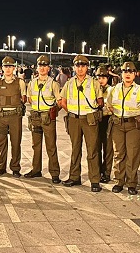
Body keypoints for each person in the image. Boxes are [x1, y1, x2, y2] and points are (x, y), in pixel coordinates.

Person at [106, 61, 140, 195]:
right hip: (118, 124)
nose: (127, 74)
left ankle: (131, 183)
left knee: (132, 154)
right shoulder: (114, 89)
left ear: (134, 74)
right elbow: (109, 105)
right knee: (118, 154)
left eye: (130, 72)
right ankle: (119, 181)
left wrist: (138, 117)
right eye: (125, 71)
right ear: (121, 73)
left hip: (134, 126)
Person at [60, 55, 103, 191]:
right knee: (75, 149)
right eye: (77, 66)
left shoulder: (94, 83)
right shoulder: (69, 83)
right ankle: (74, 177)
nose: (80, 68)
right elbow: (63, 101)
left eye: (83, 66)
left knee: (92, 150)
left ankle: (95, 180)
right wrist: (72, 111)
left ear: (87, 67)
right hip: (74, 119)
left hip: (89, 119)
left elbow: (100, 101)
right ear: (74, 67)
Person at [24, 55, 61, 183]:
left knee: (51, 146)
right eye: (40, 66)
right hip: (35, 117)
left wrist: (53, 112)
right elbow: (29, 99)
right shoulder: (32, 83)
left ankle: (54, 173)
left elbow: (59, 101)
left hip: (48, 118)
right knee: (36, 146)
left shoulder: (53, 84)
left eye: (45, 66)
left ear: (49, 68)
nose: (42, 68)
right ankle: (36, 169)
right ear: (37, 67)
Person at [0, 56, 26, 177]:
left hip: (15, 117)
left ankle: (15, 168)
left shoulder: (20, 82)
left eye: (10, 66)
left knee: (16, 143)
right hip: (1, 117)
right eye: (6, 66)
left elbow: (23, 98)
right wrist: (0, 105)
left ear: (14, 68)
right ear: (2, 68)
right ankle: (1, 167)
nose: (8, 69)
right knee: (1, 143)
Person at [95, 65, 113, 183]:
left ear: (107, 78)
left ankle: (106, 173)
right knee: (96, 147)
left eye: (103, 78)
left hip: (108, 119)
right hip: (96, 120)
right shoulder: (93, 89)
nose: (101, 80)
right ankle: (97, 171)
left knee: (108, 148)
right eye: (99, 78)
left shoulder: (112, 90)